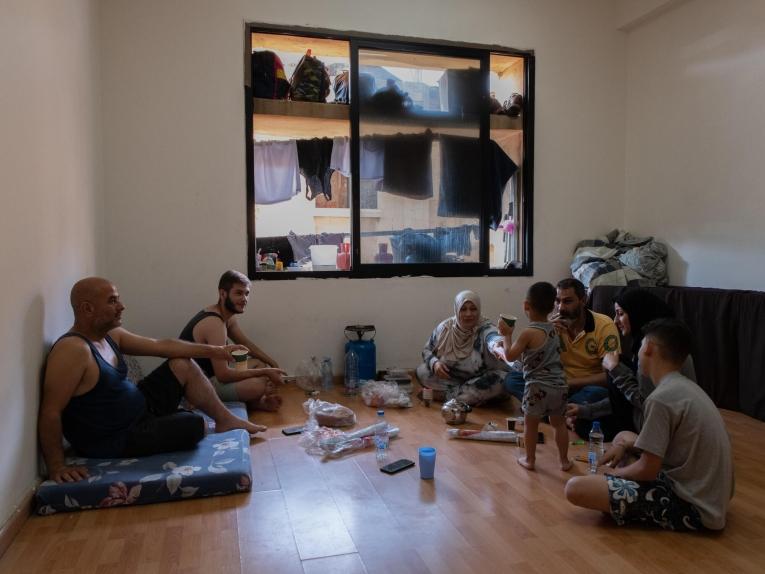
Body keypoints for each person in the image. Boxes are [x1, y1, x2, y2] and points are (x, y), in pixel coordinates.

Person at [39, 277, 267, 484]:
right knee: (194, 425)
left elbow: (162, 346)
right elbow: (51, 410)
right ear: (87, 309)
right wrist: (57, 466)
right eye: (112, 301)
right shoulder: (73, 350)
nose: (121, 306)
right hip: (119, 435)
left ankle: (225, 419)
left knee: (181, 363)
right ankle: (183, 419)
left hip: (139, 406)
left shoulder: (110, 336)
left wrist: (218, 351)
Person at [565, 318, 734, 531]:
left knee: (576, 488)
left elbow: (647, 470)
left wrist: (609, 476)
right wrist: (623, 448)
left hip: (694, 508)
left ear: (650, 349)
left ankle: (620, 495)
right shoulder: (685, 387)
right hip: (713, 497)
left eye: (642, 344)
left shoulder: (661, 398)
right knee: (623, 437)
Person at [566, 288, 695, 441]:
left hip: (659, 426)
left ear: (637, 313)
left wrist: (615, 369)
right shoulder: (654, 339)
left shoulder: (652, 349)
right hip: (653, 416)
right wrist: (585, 410)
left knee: (586, 424)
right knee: (583, 415)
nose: (615, 320)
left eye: (620, 314)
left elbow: (645, 403)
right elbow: (630, 397)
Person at [504, 278, 620, 407]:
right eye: (557, 301)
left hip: (584, 387)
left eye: (568, 301)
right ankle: (562, 411)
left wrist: (570, 382)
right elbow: (530, 361)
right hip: (553, 385)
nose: (561, 308)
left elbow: (609, 376)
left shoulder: (604, 325)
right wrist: (546, 333)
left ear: (583, 300)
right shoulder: (550, 325)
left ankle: (546, 408)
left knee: (597, 393)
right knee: (511, 380)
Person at [178, 270, 285, 410]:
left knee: (260, 363)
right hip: (197, 386)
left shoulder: (227, 316)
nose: (244, 299)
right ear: (223, 294)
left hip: (213, 376)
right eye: (239, 293)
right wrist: (265, 373)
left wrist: (272, 364)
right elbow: (223, 375)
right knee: (258, 385)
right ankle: (258, 400)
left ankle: (256, 402)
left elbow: (246, 344)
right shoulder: (214, 323)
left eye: (247, 294)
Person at [497, 282, 572, 471]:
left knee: (531, 425)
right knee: (559, 424)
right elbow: (562, 351)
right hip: (559, 385)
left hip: (537, 387)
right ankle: (564, 461)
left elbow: (510, 356)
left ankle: (529, 460)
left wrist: (506, 335)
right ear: (552, 306)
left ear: (526, 306)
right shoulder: (555, 329)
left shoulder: (528, 333)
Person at [415, 290, 508, 406]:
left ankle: (445, 395)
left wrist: (496, 344)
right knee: (422, 371)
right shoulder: (446, 328)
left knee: (501, 380)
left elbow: (492, 337)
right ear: (456, 309)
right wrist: (435, 364)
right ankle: (465, 396)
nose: (468, 314)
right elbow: (427, 350)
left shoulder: (486, 329)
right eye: (463, 309)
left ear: (479, 309)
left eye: (473, 309)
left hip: (480, 380)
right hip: (454, 378)